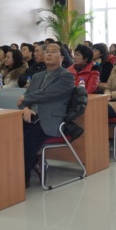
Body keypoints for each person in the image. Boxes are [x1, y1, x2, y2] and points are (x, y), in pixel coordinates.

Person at [17, 42, 75, 187]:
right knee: (9, 134)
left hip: (50, 120)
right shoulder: (37, 76)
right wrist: (25, 108)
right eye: (47, 51)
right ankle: (18, 169)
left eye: (53, 51)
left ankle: (22, 177)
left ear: (62, 57)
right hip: (31, 116)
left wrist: (26, 98)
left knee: (28, 137)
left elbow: (48, 94)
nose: (49, 54)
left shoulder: (66, 76)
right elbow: (24, 99)